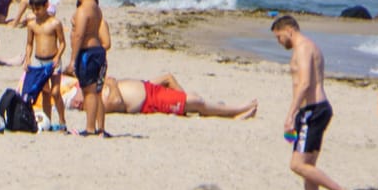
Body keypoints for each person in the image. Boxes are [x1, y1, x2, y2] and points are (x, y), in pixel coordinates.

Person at [271, 15, 353, 190]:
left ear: (288, 30)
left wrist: (290, 114)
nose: (279, 43)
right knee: (309, 166)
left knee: (297, 164)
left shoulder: (304, 48)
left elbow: (305, 83)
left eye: (279, 37)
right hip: (312, 110)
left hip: (313, 110)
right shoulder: (308, 47)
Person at [82, 74, 257, 119]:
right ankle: (237, 110)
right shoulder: (98, 104)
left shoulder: (93, 92)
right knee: (197, 100)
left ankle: (192, 106)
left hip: (147, 87)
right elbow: (117, 101)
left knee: (169, 78)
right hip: (150, 100)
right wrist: (112, 84)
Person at [68, 0, 110, 137]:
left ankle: (91, 128)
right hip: (98, 51)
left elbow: (79, 35)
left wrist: (73, 59)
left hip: (88, 52)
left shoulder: (83, 9)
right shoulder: (96, 8)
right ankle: (100, 128)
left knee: (89, 91)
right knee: (96, 92)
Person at [21, 0, 66, 131]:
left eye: (38, 9)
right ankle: (48, 121)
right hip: (38, 61)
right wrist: (27, 58)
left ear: (46, 5)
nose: (36, 12)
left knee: (55, 92)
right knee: (45, 92)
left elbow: (63, 43)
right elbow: (29, 43)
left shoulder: (55, 23)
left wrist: (58, 56)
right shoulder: (32, 24)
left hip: (53, 61)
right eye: (33, 9)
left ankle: (62, 120)